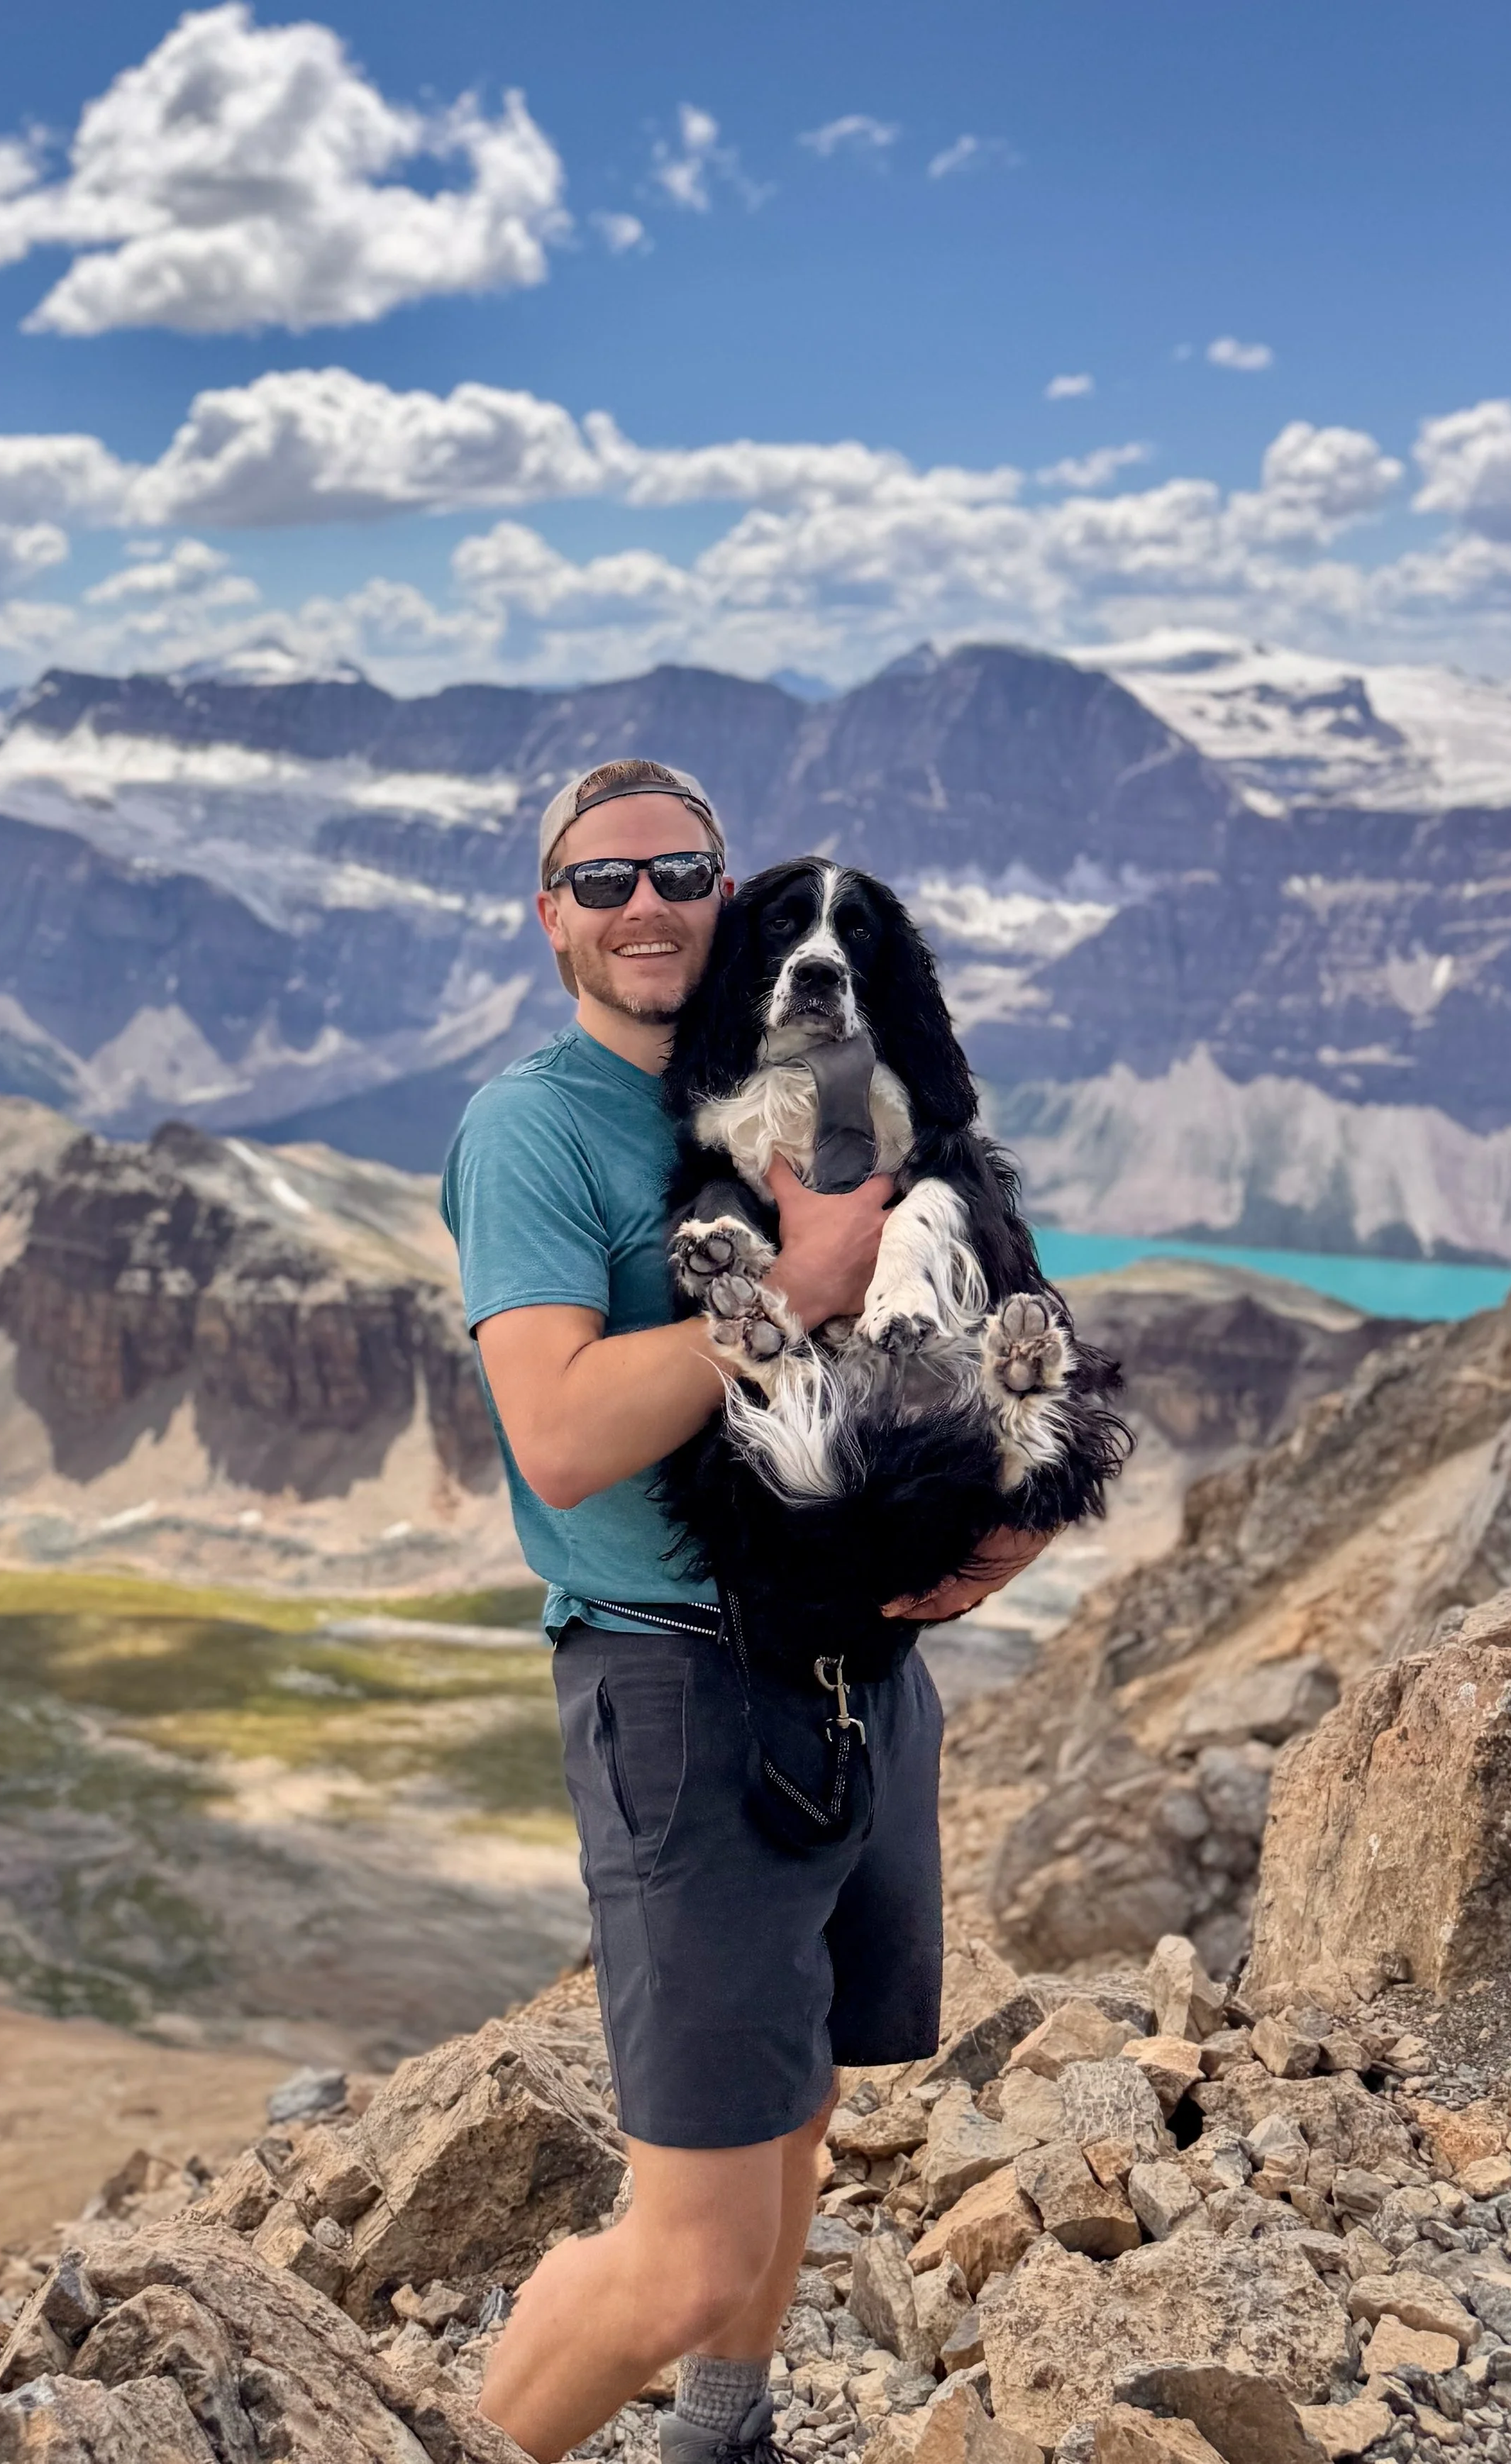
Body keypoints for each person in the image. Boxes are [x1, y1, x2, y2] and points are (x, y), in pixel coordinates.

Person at [439, 758, 1047, 2464]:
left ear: (729, 896)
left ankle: (721, 2438)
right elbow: (556, 1438)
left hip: (860, 1678)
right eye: (602, 881)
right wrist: (795, 1282)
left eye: (680, 872)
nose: (645, 907)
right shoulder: (535, 1127)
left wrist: (999, 1541)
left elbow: (986, 1343)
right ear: (547, 913)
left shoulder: (826, 1083)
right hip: (681, 1685)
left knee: (795, 2120)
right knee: (689, 2251)